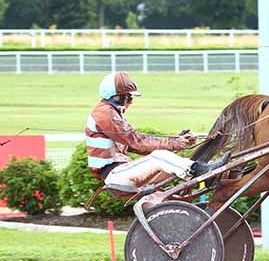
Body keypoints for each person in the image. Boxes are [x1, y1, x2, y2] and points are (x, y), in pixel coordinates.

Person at [85, 71, 226, 192]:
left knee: (169, 163)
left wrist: (177, 141)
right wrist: (175, 143)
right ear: (117, 96)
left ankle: (204, 175)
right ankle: (203, 171)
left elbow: (135, 145)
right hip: (116, 175)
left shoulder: (111, 113)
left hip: (121, 172)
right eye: (129, 97)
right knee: (159, 156)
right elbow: (138, 141)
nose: (131, 102)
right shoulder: (104, 113)